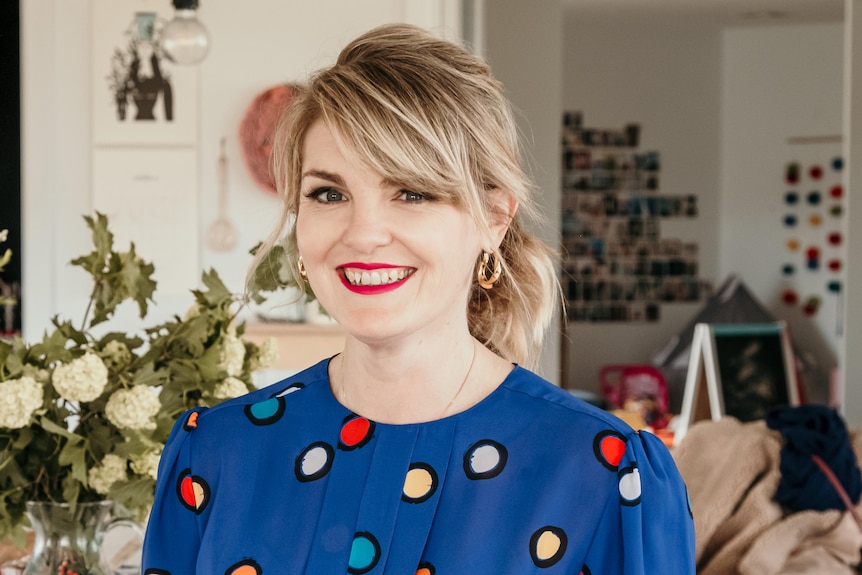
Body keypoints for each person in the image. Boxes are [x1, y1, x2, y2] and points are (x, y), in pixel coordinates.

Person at [141, 23, 695, 574]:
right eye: (329, 193)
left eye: (412, 192)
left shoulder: (606, 476)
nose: (363, 233)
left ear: (494, 220)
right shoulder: (214, 456)